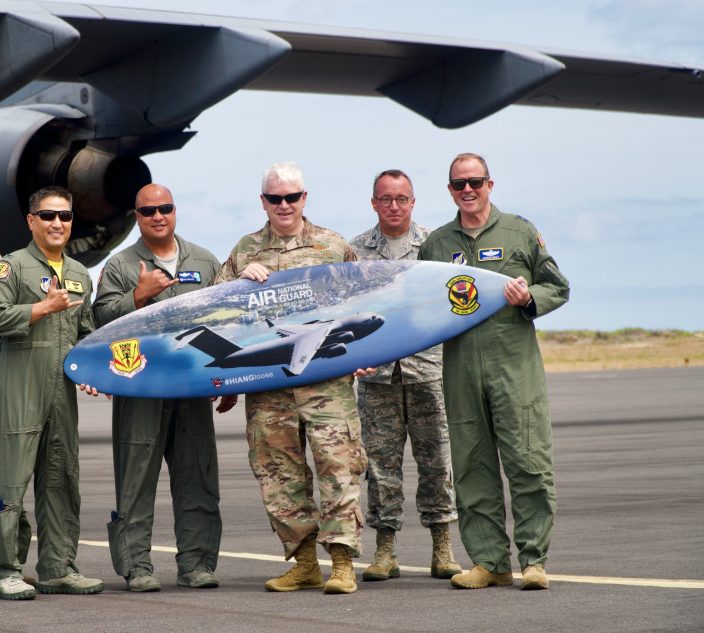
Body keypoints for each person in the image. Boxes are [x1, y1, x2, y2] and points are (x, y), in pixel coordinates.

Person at [212, 162, 367, 595]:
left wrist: (365, 354)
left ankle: (341, 565)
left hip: (326, 385)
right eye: (275, 198)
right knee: (279, 473)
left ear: (305, 198)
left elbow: (368, 302)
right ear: (263, 201)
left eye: (292, 197)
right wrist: (237, 281)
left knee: (339, 469)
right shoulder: (245, 250)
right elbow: (216, 309)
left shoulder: (334, 247)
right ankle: (303, 564)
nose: (284, 205)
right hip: (269, 387)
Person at [418, 153, 570, 591]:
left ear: (490, 184)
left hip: (514, 369)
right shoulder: (437, 245)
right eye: (459, 184)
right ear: (449, 190)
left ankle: (534, 560)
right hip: (462, 371)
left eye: (476, 182)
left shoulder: (520, 232)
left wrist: (528, 299)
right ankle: (488, 562)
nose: (468, 190)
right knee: (471, 467)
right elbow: (424, 306)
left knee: (528, 463)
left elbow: (557, 286)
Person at [93, 183, 227, 592]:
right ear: (136, 216)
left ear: (174, 211)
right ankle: (137, 566)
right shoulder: (120, 266)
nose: (157, 216)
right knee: (135, 480)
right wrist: (138, 296)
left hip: (191, 388)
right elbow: (100, 321)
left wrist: (230, 377)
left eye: (164, 208)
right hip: (141, 388)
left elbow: (226, 321)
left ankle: (197, 564)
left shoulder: (205, 262)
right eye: (148, 210)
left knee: (198, 476)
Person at [0, 186, 102, 600]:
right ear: (31, 220)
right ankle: (2, 570)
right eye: (48, 216)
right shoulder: (10, 268)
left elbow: (86, 336)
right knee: (10, 479)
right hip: (19, 387)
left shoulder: (81, 274)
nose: (57, 224)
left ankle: (57, 567)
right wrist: (41, 309)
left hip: (60, 394)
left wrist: (92, 372)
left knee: (61, 478)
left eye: (65, 216)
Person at [348, 169, 462, 582]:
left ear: (413, 202)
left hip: (429, 370)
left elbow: (455, 304)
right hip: (376, 376)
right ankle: (385, 551)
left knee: (437, 463)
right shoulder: (354, 252)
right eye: (385, 199)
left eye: (401, 199)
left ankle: (442, 547)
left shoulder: (435, 246)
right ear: (374, 202)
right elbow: (342, 312)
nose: (393, 206)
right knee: (379, 466)